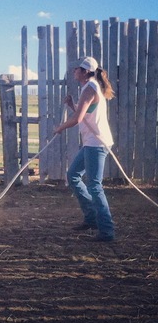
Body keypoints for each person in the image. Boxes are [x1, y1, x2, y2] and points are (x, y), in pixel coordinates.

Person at [54, 56, 115, 242]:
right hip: (92, 142)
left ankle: (107, 232)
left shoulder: (90, 88)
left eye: (77, 69)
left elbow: (78, 119)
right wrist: (72, 104)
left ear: (85, 71)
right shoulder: (90, 87)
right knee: (72, 175)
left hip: (97, 144)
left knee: (95, 186)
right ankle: (92, 219)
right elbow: (86, 114)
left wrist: (60, 128)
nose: (74, 71)